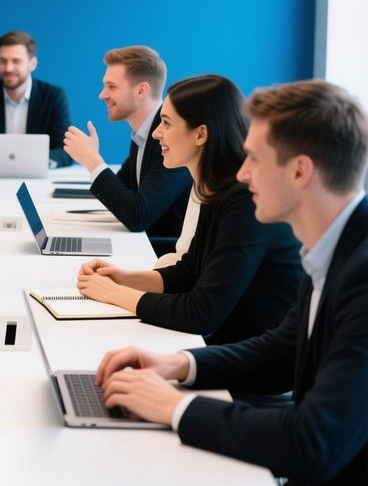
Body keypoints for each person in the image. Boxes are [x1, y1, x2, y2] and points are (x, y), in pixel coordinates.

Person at [96, 80, 368, 486]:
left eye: (256, 159)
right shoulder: (333, 252)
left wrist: (174, 409)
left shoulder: (360, 273)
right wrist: (178, 365)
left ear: (300, 171)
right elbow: (280, 351)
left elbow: (313, 442)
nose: (242, 174)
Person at [76, 75, 302, 345]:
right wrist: (125, 278)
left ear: (201, 134)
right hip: (229, 347)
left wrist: (114, 294)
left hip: (252, 362)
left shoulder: (246, 199)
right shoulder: (215, 188)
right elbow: (190, 271)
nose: (157, 132)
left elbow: (201, 313)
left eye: (167, 123)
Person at [64, 45, 192, 241]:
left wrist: (92, 160)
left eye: (111, 86)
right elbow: (122, 190)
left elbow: (137, 216)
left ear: (141, 90)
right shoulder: (142, 133)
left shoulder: (169, 137)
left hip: (165, 254)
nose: (102, 94)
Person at [0, 30, 72, 168]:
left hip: (36, 179)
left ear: (32, 64)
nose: (8, 68)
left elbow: (65, 150)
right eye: (3, 61)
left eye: (16, 61)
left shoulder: (53, 96)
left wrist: (37, 162)